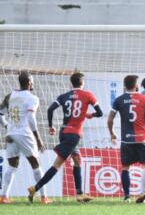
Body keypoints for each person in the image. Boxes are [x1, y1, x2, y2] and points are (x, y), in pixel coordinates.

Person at [27, 72, 103, 203]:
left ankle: (79, 194)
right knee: (57, 165)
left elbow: (50, 109)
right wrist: (91, 115)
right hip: (73, 135)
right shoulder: (88, 95)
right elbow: (100, 113)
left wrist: (51, 126)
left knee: (78, 159)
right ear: (82, 83)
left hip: (63, 132)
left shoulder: (64, 96)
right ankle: (35, 188)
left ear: (71, 83)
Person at [0, 71, 51, 204]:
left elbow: (0, 112)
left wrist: (7, 127)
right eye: (32, 81)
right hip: (24, 134)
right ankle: (44, 197)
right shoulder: (32, 98)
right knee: (35, 164)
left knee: (12, 166)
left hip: (11, 134)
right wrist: (38, 139)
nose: (33, 83)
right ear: (29, 82)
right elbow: (30, 118)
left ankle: (3, 196)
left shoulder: (10, 95)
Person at [107, 75, 145, 203]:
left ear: (124, 86)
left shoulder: (119, 100)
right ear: (136, 86)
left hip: (126, 140)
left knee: (125, 167)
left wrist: (112, 133)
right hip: (142, 139)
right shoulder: (144, 98)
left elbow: (110, 119)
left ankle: (127, 196)